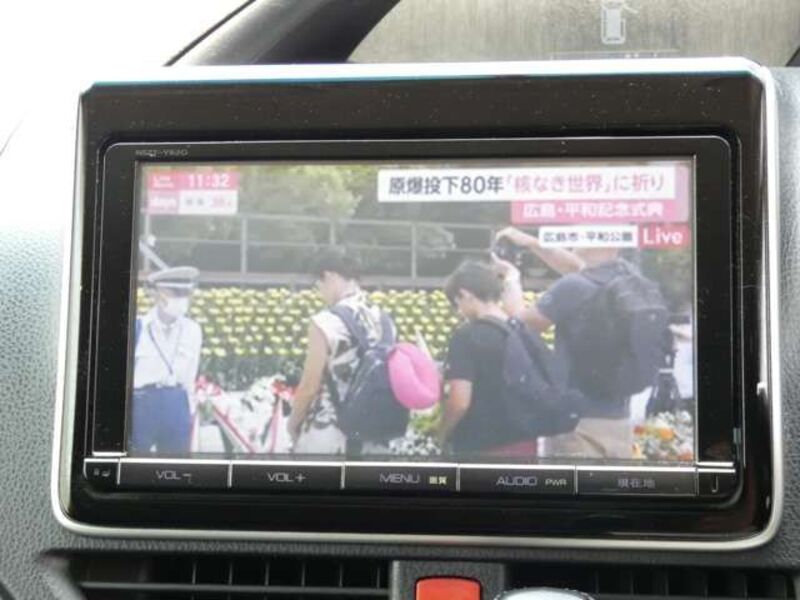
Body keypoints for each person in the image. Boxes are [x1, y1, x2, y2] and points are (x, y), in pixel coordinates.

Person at [494, 226, 640, 460]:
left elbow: (521, 323)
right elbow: (576, 267)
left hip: (577, 422)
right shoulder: (628, 279)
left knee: (571, 482)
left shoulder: (574, 286)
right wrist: (532, 243)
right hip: (618, 418)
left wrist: (512, 279)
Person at [287, 248, 395, 455]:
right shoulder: (385, 320)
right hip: (376, 435)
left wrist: (293, 423)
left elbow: (309, 385)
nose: (320, 293)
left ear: (328, 276)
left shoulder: (326, 322)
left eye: (318, 285)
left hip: (330, 433)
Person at [438, 261, 537, 457]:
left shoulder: (467, 336)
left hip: (482, 446)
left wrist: (440, 434)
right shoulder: (520, 330)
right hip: (526, 442)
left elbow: (459, 402)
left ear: (465, 294)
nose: (459, 312)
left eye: (457, 304)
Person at [130, 266, 202, 455]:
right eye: (175, 293)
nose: (181, 299)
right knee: (136, 462)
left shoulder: (192, 330)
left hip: (176, 402)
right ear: (157, 294)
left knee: (176, 464)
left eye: (185, 293)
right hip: (142, 402)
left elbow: (191, 374)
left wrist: (189, 408)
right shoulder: (138, 327)